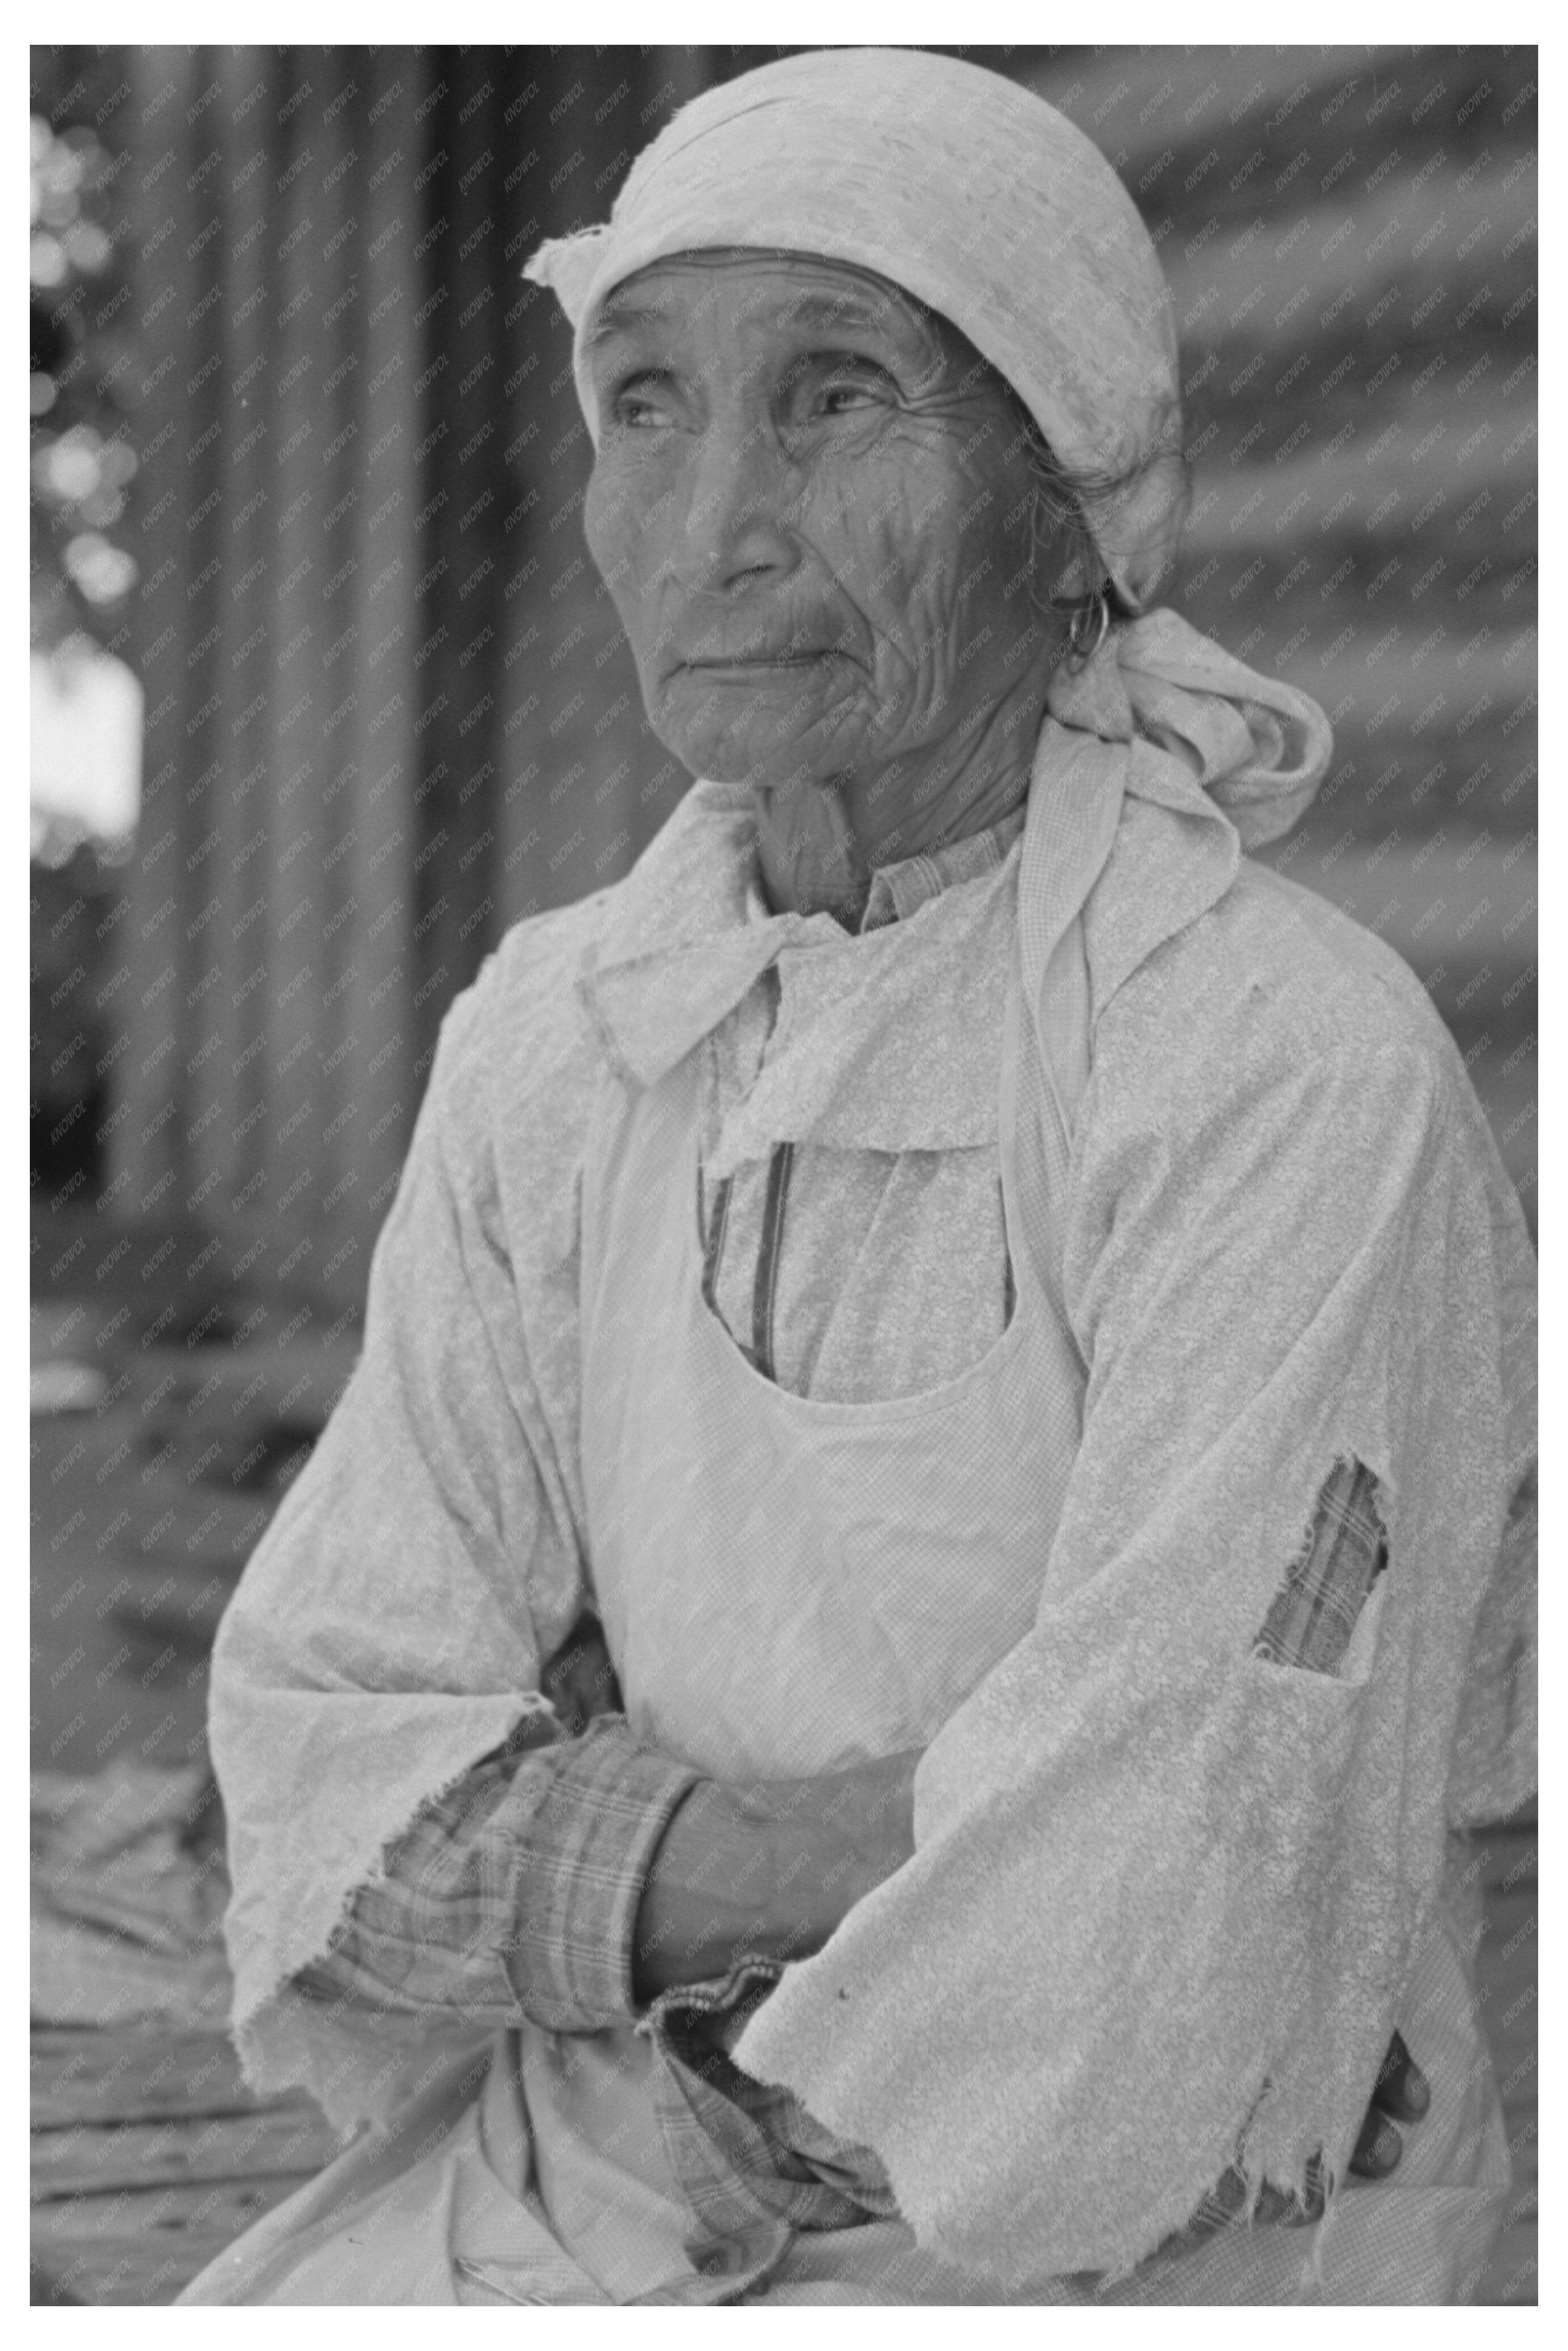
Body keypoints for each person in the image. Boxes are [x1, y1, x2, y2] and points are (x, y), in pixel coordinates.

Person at [182, 49, 1535, 2306]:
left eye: (831, 400)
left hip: (1183, 2209)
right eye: (643, 404)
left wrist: (610, 1868)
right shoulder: (565, 1034)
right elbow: (327, 1754)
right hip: (619, 2147)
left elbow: (1187, 1898)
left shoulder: (1274, 1062)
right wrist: (908, 1840)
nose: (717, 523)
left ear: (1066, 501)